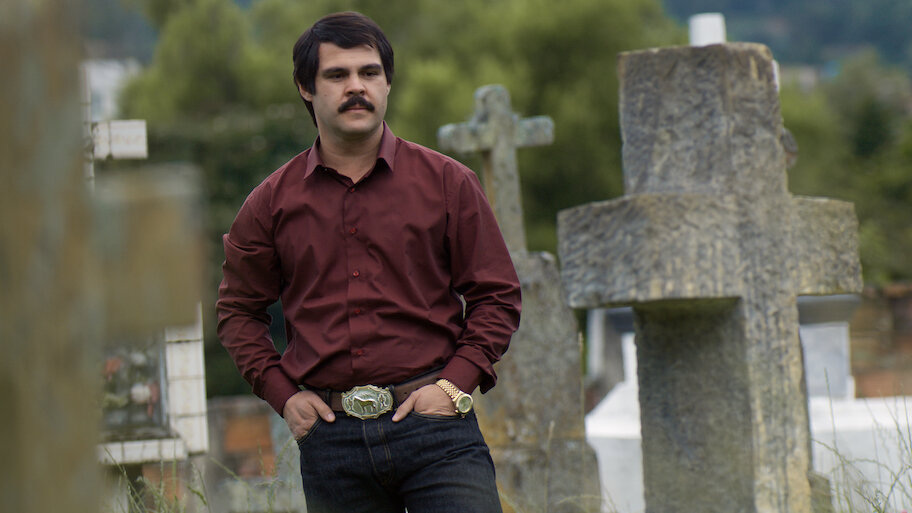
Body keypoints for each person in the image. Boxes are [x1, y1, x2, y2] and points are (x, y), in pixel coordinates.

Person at [216, 11, 521, 513]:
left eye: (369, 72)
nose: (356, 86)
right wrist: (283, 395)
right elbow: (237, 312)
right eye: (337, 75)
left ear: (387, 82)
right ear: (306, 88)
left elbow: (497, 295)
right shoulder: (270, 204)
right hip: (331, 442)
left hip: (439, 431)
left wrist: (455, 384)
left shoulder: (449, 183)